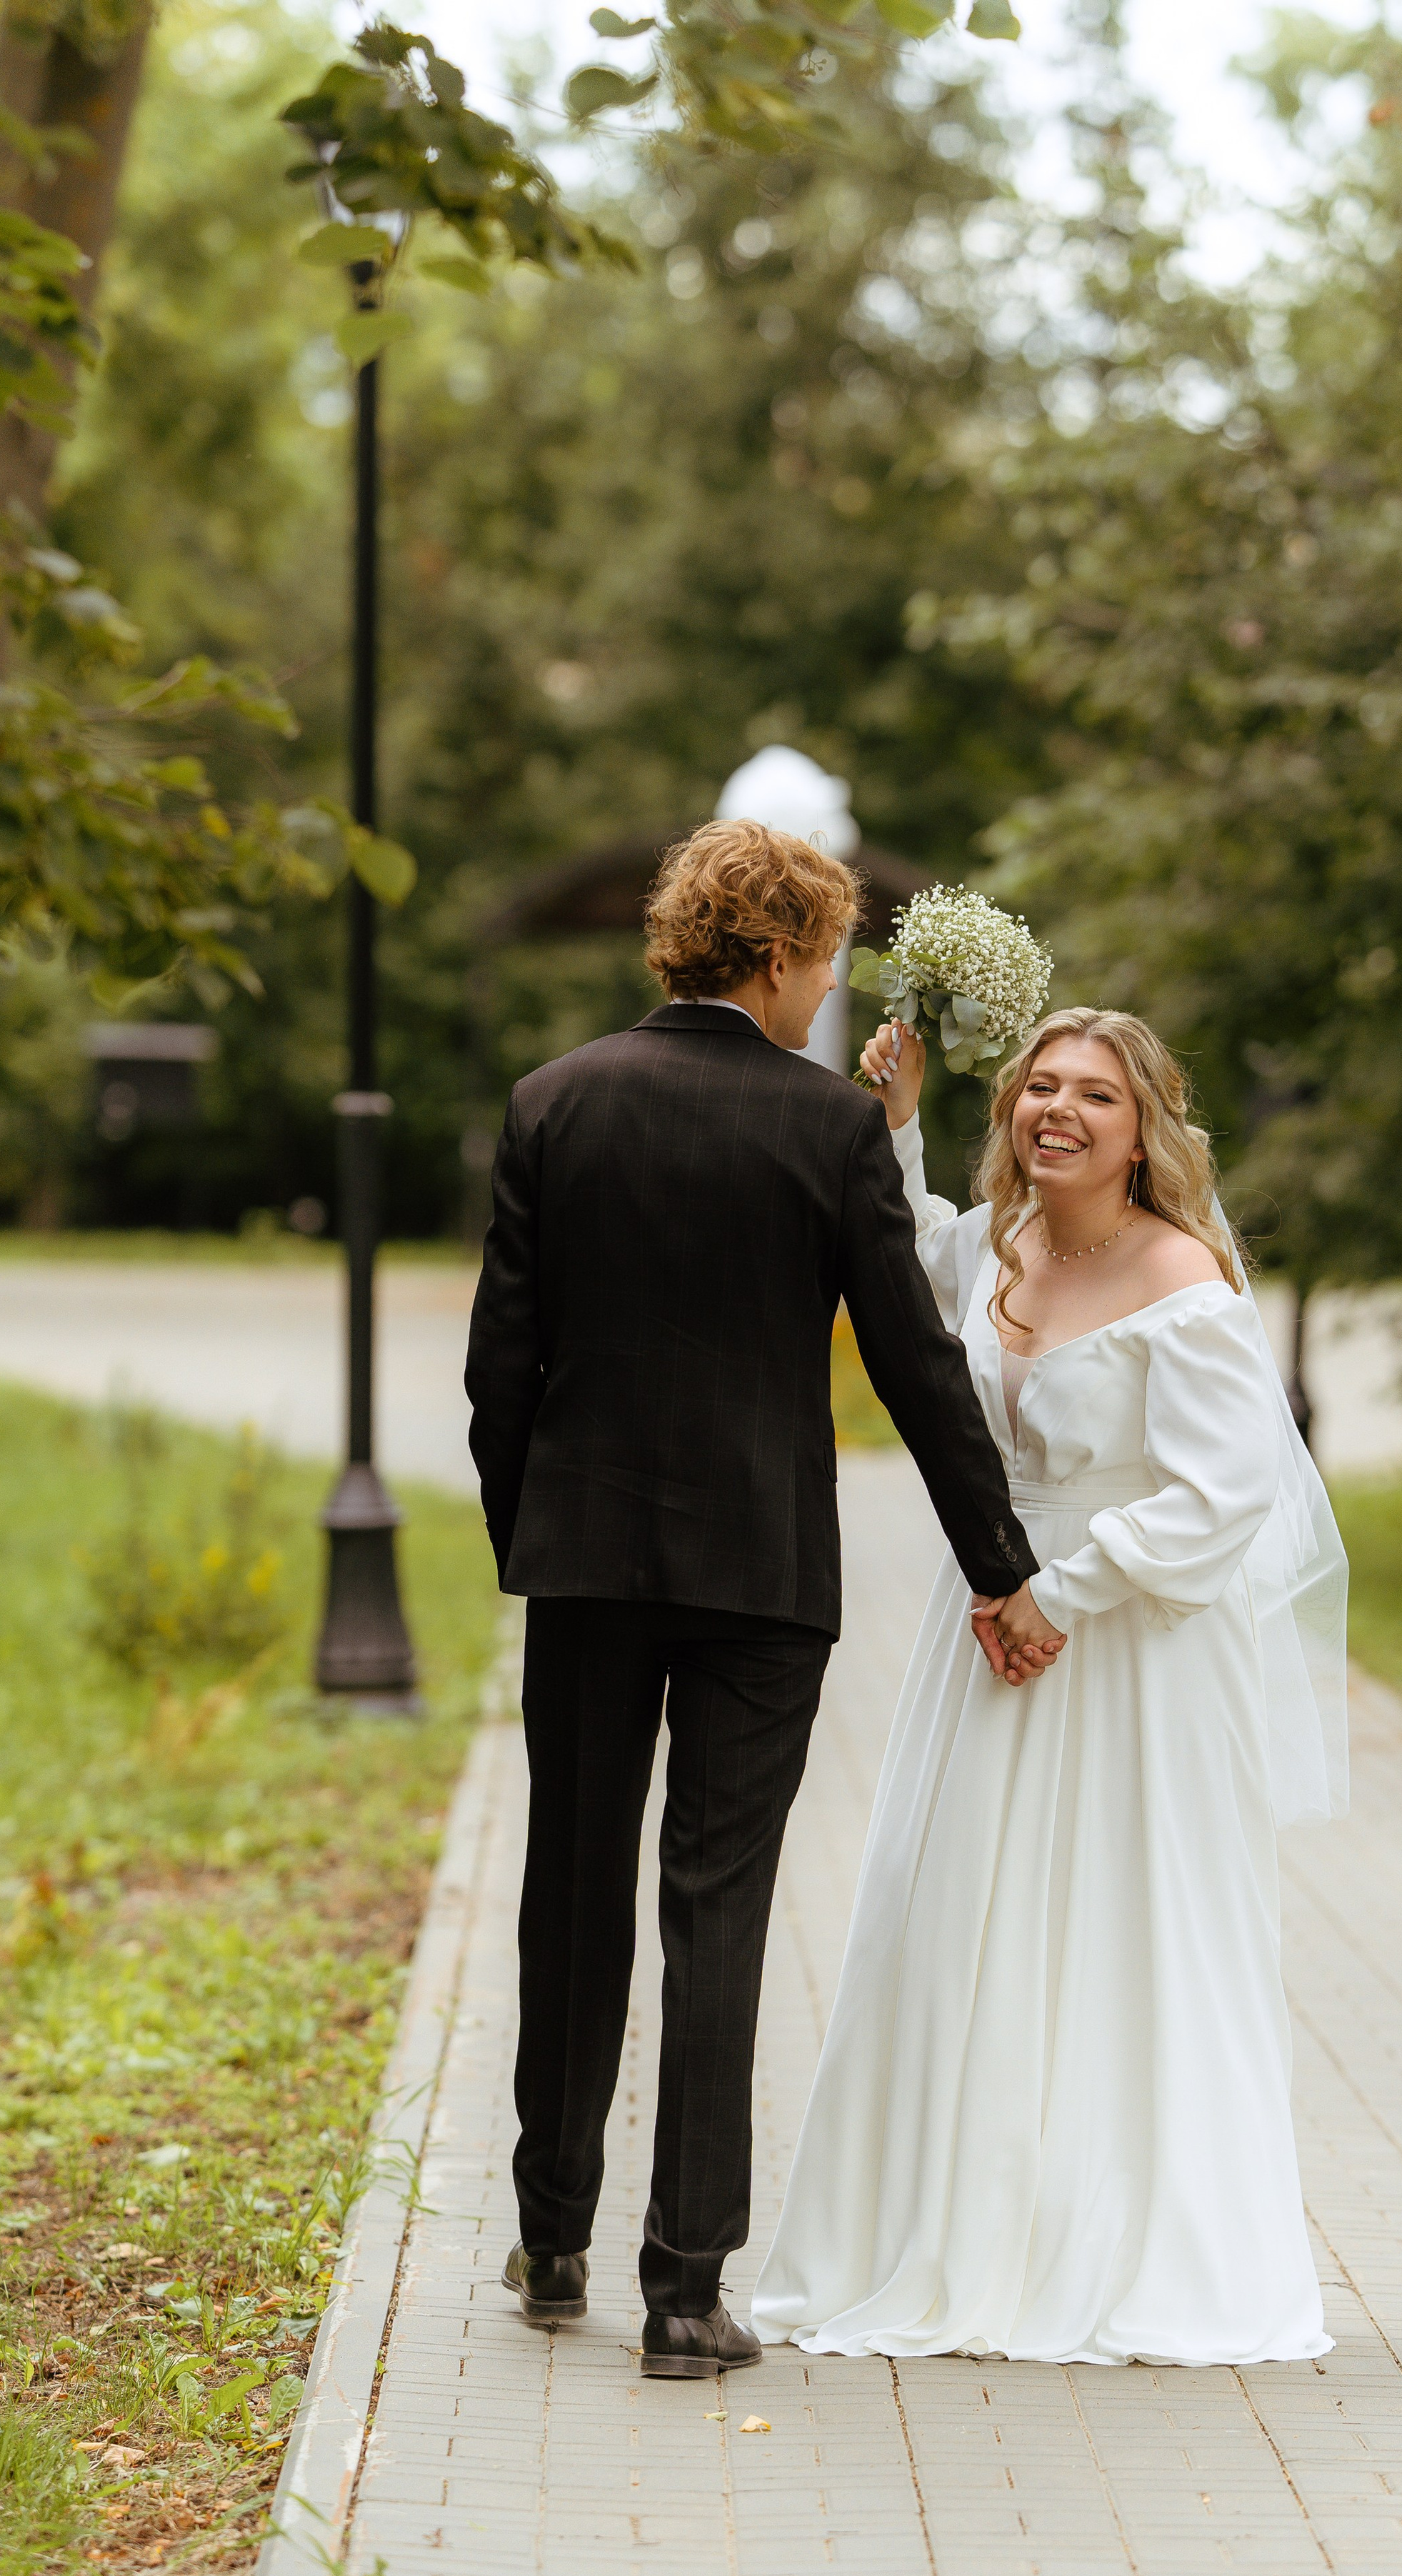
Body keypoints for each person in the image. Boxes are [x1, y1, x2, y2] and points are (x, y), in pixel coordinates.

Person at [463, 821, 1049, 2383]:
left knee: (571, 1890)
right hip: (762, 1576)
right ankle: (683, 2292)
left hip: (586, 1565)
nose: (825, 991)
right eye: (825, 961)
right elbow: (916, 1368)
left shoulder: (553, 1101)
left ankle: (552, 2236)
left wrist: (533, 1534)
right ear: (780, 954)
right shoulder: (827, 1129)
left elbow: (499, 1368)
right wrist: (1000, 1565)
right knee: (714, 1909)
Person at [753, 1006, 1349, 2367]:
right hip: (986, 1629)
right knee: (956, 1911)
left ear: (1144, 1134)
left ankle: (1128, 2245)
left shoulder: (1183, 1277)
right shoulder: (994, 1244)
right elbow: (906, 1266)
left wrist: (1063, 1594)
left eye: (1095, 1094)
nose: (1059, 1111)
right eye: (1040, 1087)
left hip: (1133, 1646)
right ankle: (951, 2230)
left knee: (1123, 1923)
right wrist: (897, 1125)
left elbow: (1223, 1493)